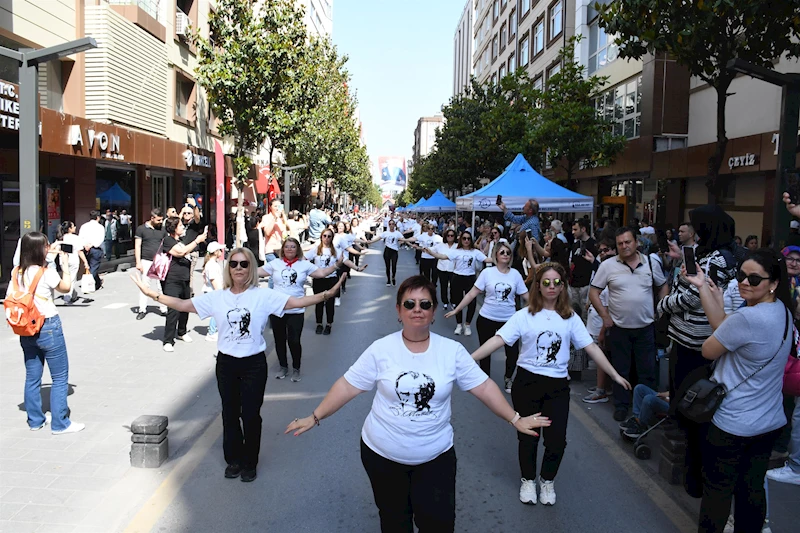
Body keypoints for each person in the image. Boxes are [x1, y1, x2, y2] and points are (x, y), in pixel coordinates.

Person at [284, 276, 550, 532]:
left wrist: (515, 418)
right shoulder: (381, 349)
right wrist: (315, 416)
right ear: (399, 310)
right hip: (382, 457)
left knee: (439, 524)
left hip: (436, 459)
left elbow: (484, 387)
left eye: (425, 304)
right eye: (410, 304)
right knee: (394, 522)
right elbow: (347, 385)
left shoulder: (451, 351)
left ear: (434, 312)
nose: (417, 309)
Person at [132, 247, 344, 483]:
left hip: (254, 364)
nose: (239, 268)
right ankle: (233, 459)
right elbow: (183, 305)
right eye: (234, 264)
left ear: (251, 268)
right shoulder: (217, 297)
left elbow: (296, 301)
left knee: (251, 415)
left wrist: (328, 294)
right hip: (226, 364)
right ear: (228, 268)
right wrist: (151, 294)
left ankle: (249, 462)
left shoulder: (263, 296)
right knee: (230, 414)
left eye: (244, 264)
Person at [471, 263, 631, 506]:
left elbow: (590, 348)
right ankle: (528, 480)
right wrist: (469, 360)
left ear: (563, 286)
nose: (552, 287)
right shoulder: (523, 316)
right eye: (546, 282)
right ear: (538, 286)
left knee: (557, 440)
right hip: (527, 383)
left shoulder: (570, 318)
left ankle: (547, 481)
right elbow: (498, 340)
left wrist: (615, 375)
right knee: (528, 436)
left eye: (557, 282)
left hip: (557, 387)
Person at [683, 249, 793, 532]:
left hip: (732, 423)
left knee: (717, 492)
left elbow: (709, 349)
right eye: (741, 275)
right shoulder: (782, 311)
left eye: (754, 279)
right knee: (751, 490)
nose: (744, 282)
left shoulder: (749, 319)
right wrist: (704, 288)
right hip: (768, 422)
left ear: (773, 283)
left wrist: (712, 300)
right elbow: (723, 324)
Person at [589, 227, 668, 422]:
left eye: (628, 242)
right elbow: (593, 293)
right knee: (620, 369)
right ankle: (621, 405)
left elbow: (662, 285)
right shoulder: (608, 266)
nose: (624, 246)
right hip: (619, 328)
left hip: (646, 328)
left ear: (636, 242)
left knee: (646, 371)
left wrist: (662, 306)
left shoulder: (650, 263)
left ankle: (645, 409)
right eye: (620, 243)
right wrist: (605, 317)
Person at [9, 232, 84, 434]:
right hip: (48, 326)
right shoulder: (45, 272)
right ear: (39, 250)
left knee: (32, 376)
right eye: (45, 245)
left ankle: (35, 421)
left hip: (26, 328)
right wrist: (65, 265)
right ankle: (60, 423)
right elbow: (66, 288)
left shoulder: (16, 272)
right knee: (60, 377)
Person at [445, 240, 528, 392]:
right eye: (502, 252)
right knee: (486, 351)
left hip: (509, 320)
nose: (505, 255)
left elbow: (526, 296)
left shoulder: (515, 274)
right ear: (496, 254)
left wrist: (544, 308)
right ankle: (485, 379)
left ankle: (508, 378)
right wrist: (458, 310)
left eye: (508, 252)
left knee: (513, 353)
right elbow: (472, 293)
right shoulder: (487, 273)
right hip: (487, 318)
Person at [260, 238, 345, 381]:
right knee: (279, 340)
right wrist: (239, 268)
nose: (289, 249)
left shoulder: (304, 265)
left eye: (293, 247)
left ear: (297, 249)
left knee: (294, 341)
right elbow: (257, 272)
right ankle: (283, 367)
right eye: (287, 247)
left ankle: (296, 368)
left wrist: (337, 265)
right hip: (277, 309)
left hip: (296, 310)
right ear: (283, 249)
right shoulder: (275, 263)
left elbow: (322, 273)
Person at [424, 231, 487, 336]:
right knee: (457, 302)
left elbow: (487, 259)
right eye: (464, 238)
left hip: (470, 278)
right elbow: (442, 256)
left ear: (471, 240)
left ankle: (467, 325)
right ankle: (458, 325)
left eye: (468, 238)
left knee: (472, 303)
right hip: (457, 277)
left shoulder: (475, 252)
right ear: (461, 240)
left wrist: (499, 255)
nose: (466, 240)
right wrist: (431, 253)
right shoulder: (456, 251)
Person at [160, 216, 208, 352]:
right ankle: (168, 340)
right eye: (180, 226)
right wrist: (196, 241)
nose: (182, 228)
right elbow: (180, 253)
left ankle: (182, 332)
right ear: (174, 228)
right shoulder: (168, 241)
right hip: (172, 280)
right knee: (173, 310)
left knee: (185, 307)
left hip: (185, 279)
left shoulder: (180, 240)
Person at [305, 228, 363, 335]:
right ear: (321, 237)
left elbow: (346, 261)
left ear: (332, 238)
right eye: (324, 236)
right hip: (318, 279)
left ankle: (328, 324)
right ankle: (319, 324)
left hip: (332, 279)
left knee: (330, 303)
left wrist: (357, 268)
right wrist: (310, 269)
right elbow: (303, 259)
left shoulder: (336, 251)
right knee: (318, 302)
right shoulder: (316, 249)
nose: (326, 238)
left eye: (329, 236)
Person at [134, 208, 167, 319]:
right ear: (152, 218)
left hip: (160, 261)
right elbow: (137, 246)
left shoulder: (162, 230)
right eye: (158, 220)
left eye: (161, 220)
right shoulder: (141, 229)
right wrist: (138, 262)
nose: (160, 222)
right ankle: (142, 309)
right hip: (146, 260)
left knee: (161, 286)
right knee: (144, 286)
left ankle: (164, 308)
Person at [55, 221, 88, 305]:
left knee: (66, 277)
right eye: (73, 226)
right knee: (72, 279)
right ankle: (67, 297)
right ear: (69, 229)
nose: (75, 227)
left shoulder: (60, 238)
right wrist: (85, 262)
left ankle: (72, 294)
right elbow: (80, 251)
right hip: (73, 260)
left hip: (62, 260)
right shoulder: (76, 238)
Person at [367, 220, 404, 286]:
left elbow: (403, 239)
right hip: (387, 250)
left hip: (394, 251)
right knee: (387, 266)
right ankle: (388, 280)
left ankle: (393, 277)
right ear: (388, 225)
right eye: (390, 224)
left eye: (393, 224)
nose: (391, 225)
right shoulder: (385, 233)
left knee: (394, 265)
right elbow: (378, 238)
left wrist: (402, 242)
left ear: (395, 225)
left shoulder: (397, 233)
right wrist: (371, 241)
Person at [202, 242, 225, 342]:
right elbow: (213, 280)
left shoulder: (212, 264)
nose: (221, 251)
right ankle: (212, 332)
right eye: (220, 250)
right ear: (215, 252)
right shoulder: (212, 265)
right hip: (214, 292)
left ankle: (214, 330)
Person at [78, 210, 105, 290]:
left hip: (85, 249)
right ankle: (88, 284)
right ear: (98, 217)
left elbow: (81, 237)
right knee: (93, 267)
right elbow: (101, 239)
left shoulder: (84, 226)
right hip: (95, 249)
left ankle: (98, 282)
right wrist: (92, 244)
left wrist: (85, 245)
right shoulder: (100, 227)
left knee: (91, 266)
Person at [434, 229, 458, 309]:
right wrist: (421, 248)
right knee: (443, 286)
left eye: (452, 235)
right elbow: (431, 249)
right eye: (448, 235)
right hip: (442, 269)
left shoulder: (458, 246)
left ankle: (453, 301)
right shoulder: (441, 245)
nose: (450, 237)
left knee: (454, 287)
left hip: (453, 269)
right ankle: (445, 301)